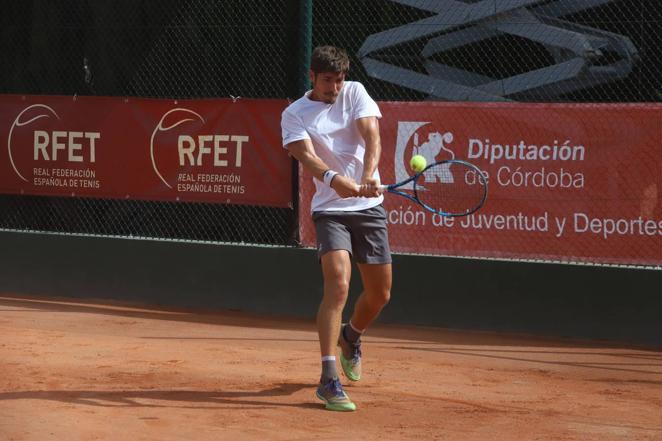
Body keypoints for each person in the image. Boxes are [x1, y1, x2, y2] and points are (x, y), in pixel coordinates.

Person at [281, 45, 392, 411]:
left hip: (368, 207)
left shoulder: (355, 92)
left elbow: (371, 134)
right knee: (339, 283)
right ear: (312, 77)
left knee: (379, 296)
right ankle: (328, 378)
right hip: (330, 209)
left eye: (339, 80)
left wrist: (367, 175)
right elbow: (306, 157)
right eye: (327, 80)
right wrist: (333, 178)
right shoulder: (294, 114)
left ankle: (351, 336)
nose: (334, 87)